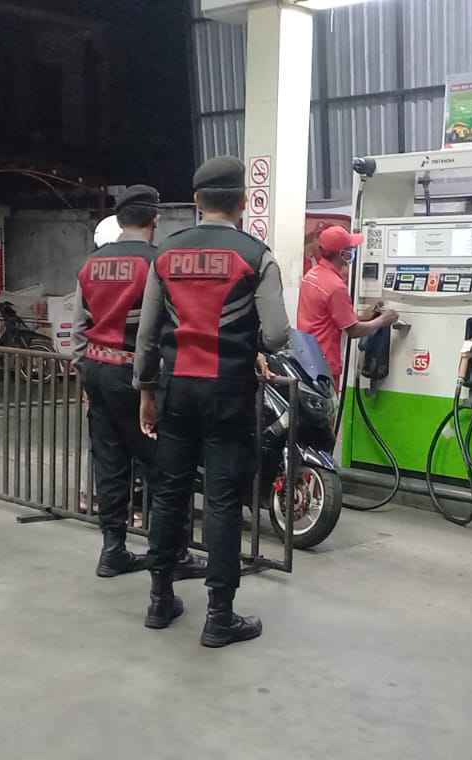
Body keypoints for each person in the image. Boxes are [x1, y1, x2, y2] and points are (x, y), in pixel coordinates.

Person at [133, 156, 290, 648]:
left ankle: (160, 598)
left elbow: (147, 334)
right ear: (243, 201)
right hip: (229, 390)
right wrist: (250, 344)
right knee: (222, 500)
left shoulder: (165, 253)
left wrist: (146, 392)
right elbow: (278, 334)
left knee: (169, 492)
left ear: (197, 200)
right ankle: (219, 615)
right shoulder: (257, 256)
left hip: (176, 388)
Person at [74, 187, 206, 582]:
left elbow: (79, 327)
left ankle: (112, 550)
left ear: (119, 220)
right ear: (155, 219)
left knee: (110, 464)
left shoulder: (90, 264)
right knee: (167, 468)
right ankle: (174, 554)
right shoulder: (160, 261)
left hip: (97, 370)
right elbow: (177, 322)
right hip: (139, 377)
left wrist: (84, 376)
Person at [296, 225, 399, 391]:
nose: (353, 251)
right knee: (326, 407)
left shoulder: (312, 276)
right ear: (343, 254)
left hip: (307, 359)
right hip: (325, 364)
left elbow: (328, 316)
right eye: (350, 248)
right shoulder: (335, 286)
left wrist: (361, 317)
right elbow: (354, 331)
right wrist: (382, 320)